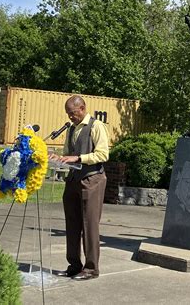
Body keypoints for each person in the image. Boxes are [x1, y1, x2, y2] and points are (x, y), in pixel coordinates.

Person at [49, 95, 109, 280]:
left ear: (82, 108)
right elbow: (69, 154)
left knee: (89, 225)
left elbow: (103, 154)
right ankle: (74, 266)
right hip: (73, 180)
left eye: (73, 113)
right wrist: (58, 158)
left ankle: (91, 269)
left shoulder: (96, 126)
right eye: (68, 114)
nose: (70, 117)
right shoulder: (71, 129)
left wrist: (78, 158)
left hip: (92, 180)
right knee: (72, 224)